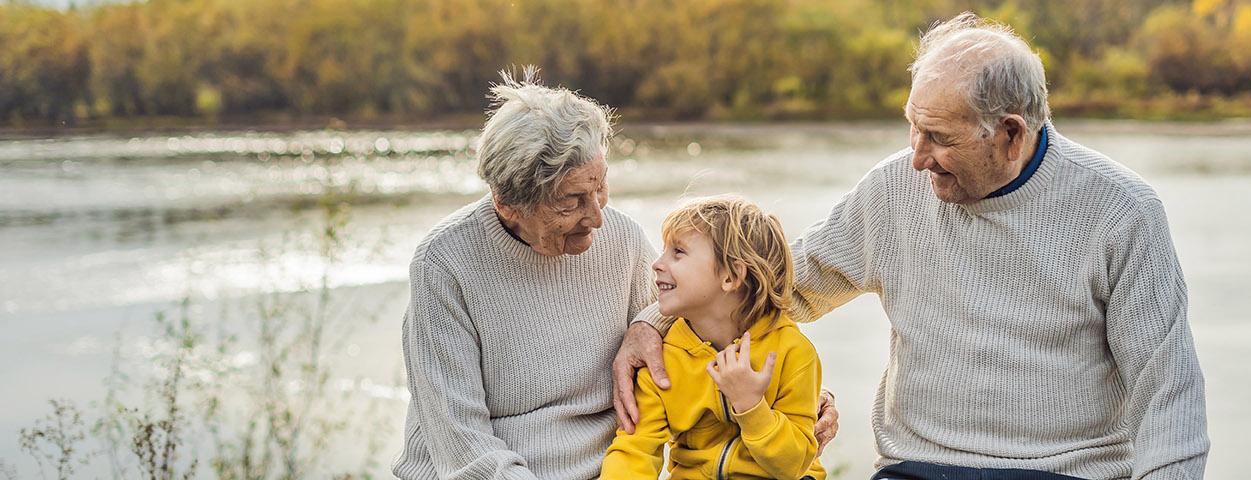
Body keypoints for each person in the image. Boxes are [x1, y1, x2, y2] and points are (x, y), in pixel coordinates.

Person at [614, 13, 1210, 480]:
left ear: (1010, 135)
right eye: (912, 127)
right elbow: (772, 288)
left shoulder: (1122, 212)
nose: (917, 157)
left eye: (939, 138)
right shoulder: (895, 188)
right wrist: (651, 322)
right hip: (915, 470)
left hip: (1063, 473)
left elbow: (1168, 395)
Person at [394, 70, 838, 480]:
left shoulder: (620, 238)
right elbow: (463, 447)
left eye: (600, 186)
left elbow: (691, 316)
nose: (597, 217)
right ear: (507, 204)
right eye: (571, 201)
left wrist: (785, 399)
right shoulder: (445, 264)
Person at [602, 196, 826, 480]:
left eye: (678, 252)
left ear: (731, 277)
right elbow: (635, 450)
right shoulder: (662, 358)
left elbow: (793, 464)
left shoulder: (792, 353)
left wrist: (751, 406)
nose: (657, 263)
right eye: (663, 250)